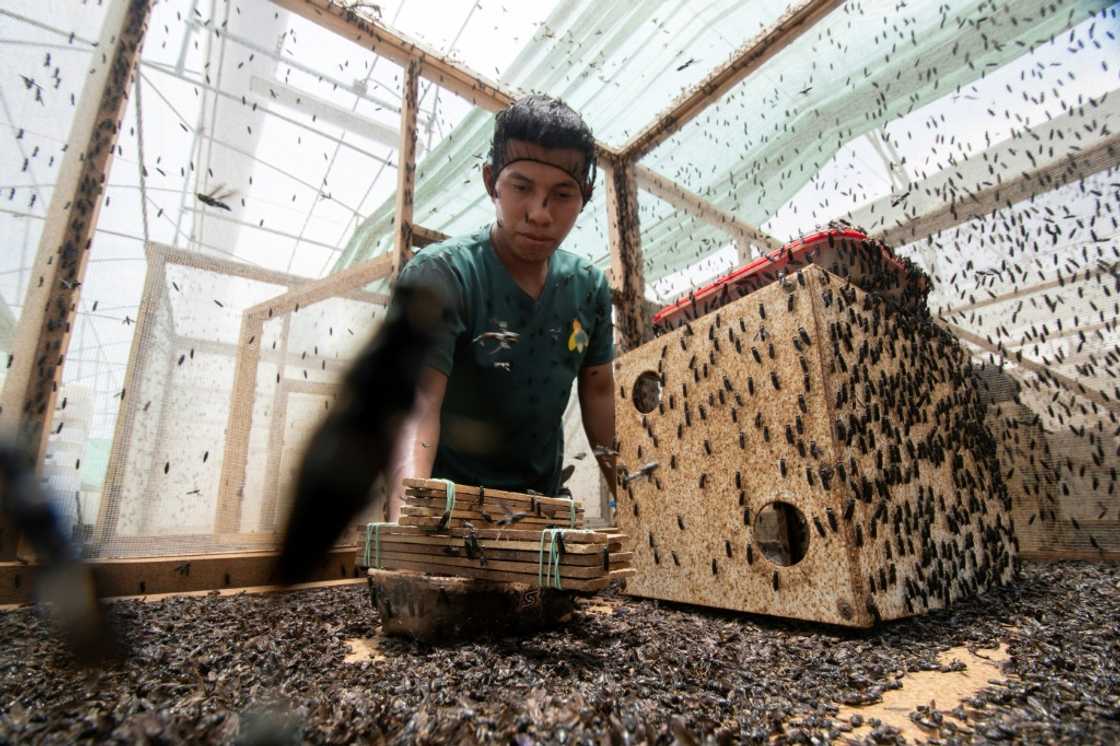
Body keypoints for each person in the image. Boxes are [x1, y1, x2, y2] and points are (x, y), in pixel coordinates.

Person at [384, 94, 617, 520]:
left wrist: (636, 500)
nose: (539, 213)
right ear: (492, 181)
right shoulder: (440, 276)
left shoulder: (589, 288)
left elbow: (600, 394)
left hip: (541, 513)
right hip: (451, 514)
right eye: (522, 187)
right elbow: (417, 405)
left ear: (584, 196)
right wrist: (412, 512)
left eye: (562, 194)